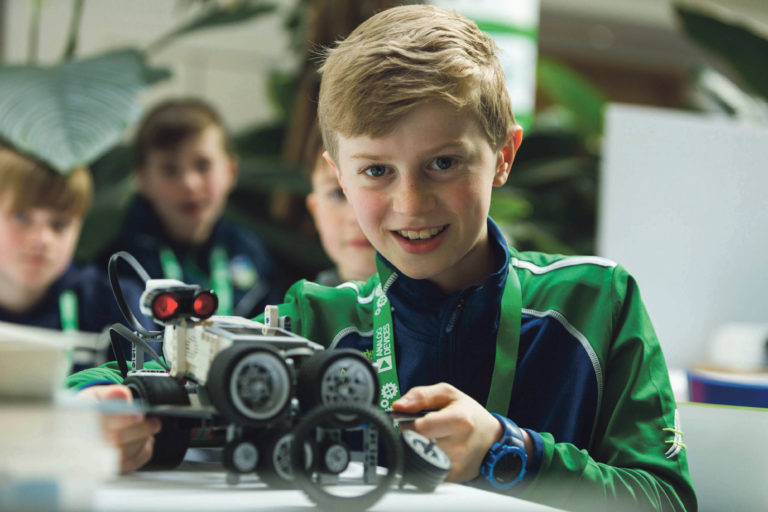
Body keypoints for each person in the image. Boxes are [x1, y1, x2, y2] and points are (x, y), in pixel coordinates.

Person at [65, 6, 697, 510]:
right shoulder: (313, 320)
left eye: (443, 163)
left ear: (503, 155)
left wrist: (510, 451)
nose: (410, 202)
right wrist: (96, 416)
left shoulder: (596, 302)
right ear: (336, 171)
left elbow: (666, 500)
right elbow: (139, 380)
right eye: (374, 171)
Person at [100, 97, 280, 319]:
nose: (189, 183)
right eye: (170, 170)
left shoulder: (252, 252)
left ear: (231, 171)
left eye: (203, 165)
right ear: (142, 180)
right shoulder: (119, 266)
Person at [0, 144, 145, 371]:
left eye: (60, 224)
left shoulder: (118, 304)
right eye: (21, 217)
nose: (42, 239)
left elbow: (144, 398)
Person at [303, 123, 377, 285]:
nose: (355, 216)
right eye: (338, 193)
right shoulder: (305, 308)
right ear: (315, 210)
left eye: (373, 188)